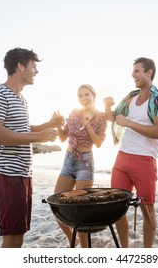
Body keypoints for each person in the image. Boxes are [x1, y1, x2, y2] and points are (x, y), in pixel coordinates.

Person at [0, 47, 63, 248]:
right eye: (33, 66)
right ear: (20, 66)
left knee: (19, 235)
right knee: (12, 237)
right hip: (7, 175)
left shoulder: (21, 99)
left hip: (23, 175)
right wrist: (37, 137)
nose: (36, 71)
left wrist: (48, 124)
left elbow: (24, 129)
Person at [104, 57, 158, 248]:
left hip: (144, 161)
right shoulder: (131, 97)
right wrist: (107, 105)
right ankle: (125, 251)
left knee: (148, 210)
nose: (133, 74)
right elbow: (113, 118)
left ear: (149, 73)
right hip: (122, 159)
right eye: (133, 71)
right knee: (116, 208)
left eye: (137, 71)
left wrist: (128, 123)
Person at [54, 84, 107, 247]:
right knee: (56, 203)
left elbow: (98, 143)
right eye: (80, 96)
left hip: (85, 162)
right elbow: (63, 137)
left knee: (80, 210)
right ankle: (72, 238)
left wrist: (88, 124)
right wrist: (57, 123)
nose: (83, 98)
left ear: (93, 96)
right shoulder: (73, 113)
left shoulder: (101, 116)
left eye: (86, 95)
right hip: (68, 160)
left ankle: (85, 250)